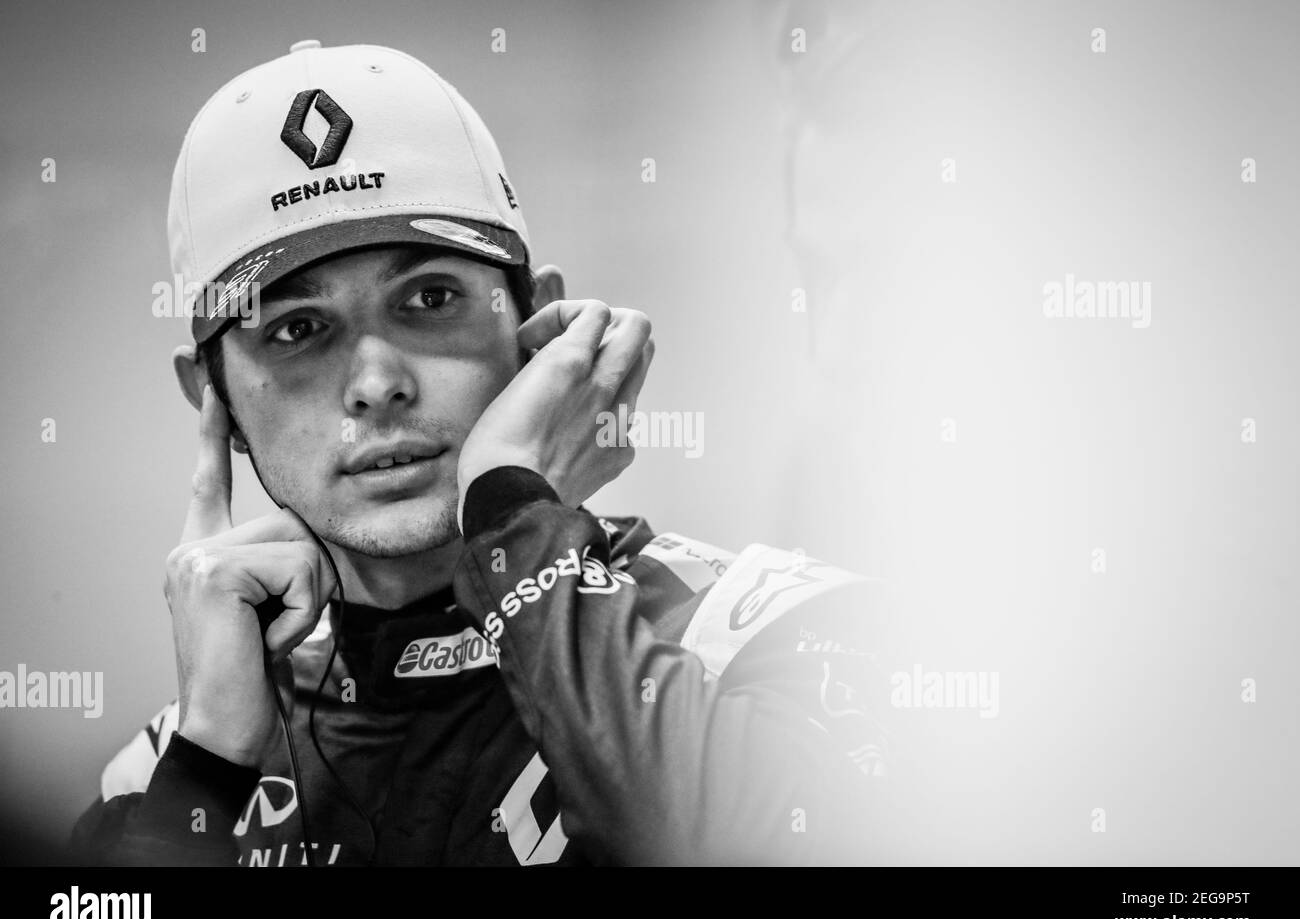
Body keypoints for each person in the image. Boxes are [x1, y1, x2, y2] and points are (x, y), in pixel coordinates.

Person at [69, 40, 889, 866]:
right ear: (216, 403)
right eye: (297, 330)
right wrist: (207, 767)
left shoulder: (770, 636)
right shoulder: (162, 770)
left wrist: (513, 511)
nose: (377, 383)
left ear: (537, 330)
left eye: (429, 298)